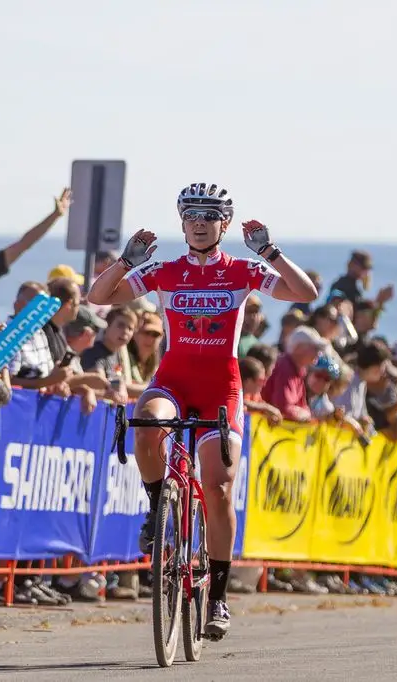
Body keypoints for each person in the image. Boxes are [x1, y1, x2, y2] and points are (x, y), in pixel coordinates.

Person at [87, 182, 317, 639]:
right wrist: (126, 262)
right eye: (190, 214)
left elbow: (304, 292)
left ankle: (218, 598)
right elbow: (98, 297)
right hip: (173, 379)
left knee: (217, 485)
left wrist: (269, 250)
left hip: (221, 388)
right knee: (147, 422)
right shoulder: (166, 271)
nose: (198, 222)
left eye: (208, 215)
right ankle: (157, 511)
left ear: (224, 223)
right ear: (181, 220)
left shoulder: (242, 270)